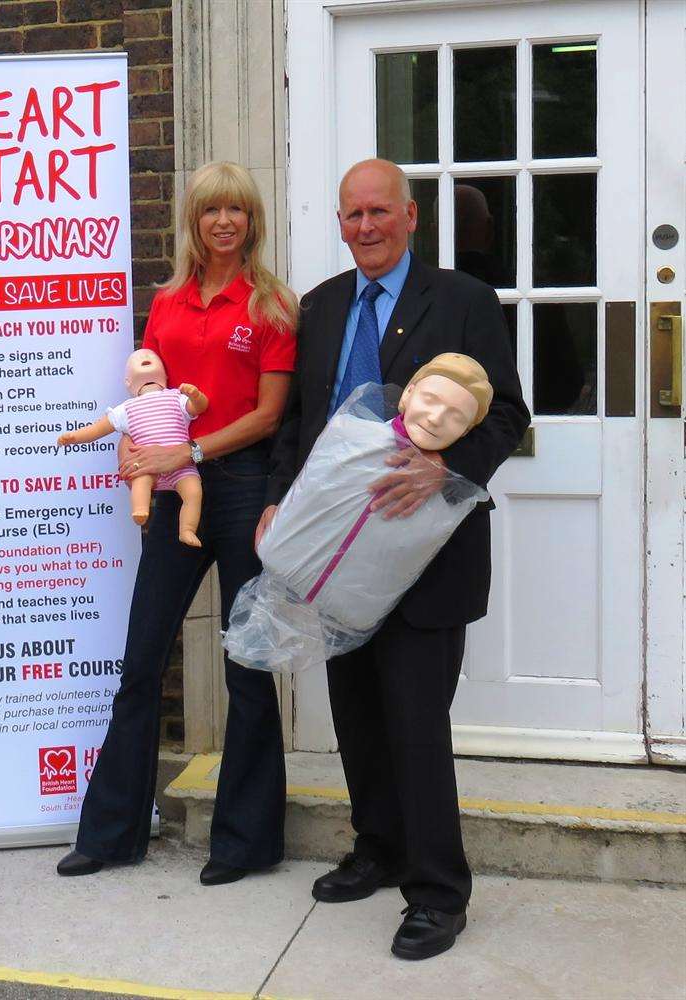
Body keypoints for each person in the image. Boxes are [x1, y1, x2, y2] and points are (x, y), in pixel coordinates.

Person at [258, 159, 528, 961]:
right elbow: (299, 419)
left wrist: (448, 468)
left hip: (426, 550)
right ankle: (376, 848)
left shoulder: (463, 301)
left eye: (379, 212)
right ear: (339, 224)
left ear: (409, 217)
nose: (365, 227)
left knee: (414, 725)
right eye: (352, 216)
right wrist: (276, 499)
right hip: (336, 554)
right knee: (359, 720)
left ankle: (437, 893)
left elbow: (508, 411)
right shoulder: (320, 306)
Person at [57, 161, 297, 885]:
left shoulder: (273, 306)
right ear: (192, 222)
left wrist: (187, 447)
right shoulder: (164, 304)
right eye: (209, 210)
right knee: (140, 661)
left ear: (251, 221)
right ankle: (109, 834)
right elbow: (146, 397)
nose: (223, 221)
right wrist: (136, 445)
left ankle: (245, 844)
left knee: (246, 665)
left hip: (241, 488)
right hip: (172, 493)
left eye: (236, 209)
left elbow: (267, 415)